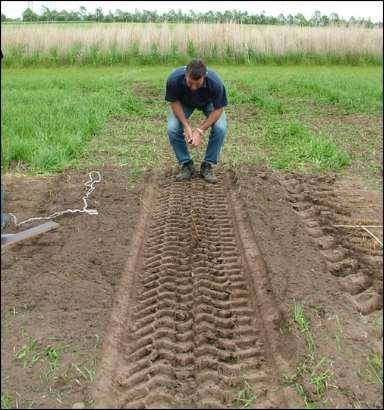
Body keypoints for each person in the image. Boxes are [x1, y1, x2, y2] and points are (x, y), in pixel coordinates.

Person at [165, 59, 228, 183]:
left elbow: (218, 109)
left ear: (204, 77)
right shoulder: (174, 79)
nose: (193, 87)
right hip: (184, 102)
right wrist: (186, 126)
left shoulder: (215, 83)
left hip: (208, 103)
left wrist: (199, 131)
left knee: (220, 128)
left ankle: (207, 165)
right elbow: (174, 102)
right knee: (172, 128)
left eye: (198, 84)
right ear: (186, 75)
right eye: (190, 83)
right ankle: (187, 164)